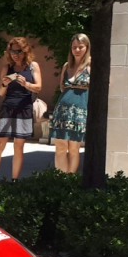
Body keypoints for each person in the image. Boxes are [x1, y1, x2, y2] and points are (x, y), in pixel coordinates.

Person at [0, 36, 42, 186]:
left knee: (18, 146)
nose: (15, 55)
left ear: (25, 51)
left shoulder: (33, 66)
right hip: (8, 107)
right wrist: (4, 84)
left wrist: (26, 83)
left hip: (24, 108)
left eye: (19, 51)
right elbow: (0, 93)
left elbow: (39, 87)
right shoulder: (7, 68)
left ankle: (14, 181)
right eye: (12, 51)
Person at [50, 33, 90, 174]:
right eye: (74, 47)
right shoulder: (67, 66)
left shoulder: (92, 65)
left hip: (80, 112)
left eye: (80, 47)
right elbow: (62, 87)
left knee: (74, 148)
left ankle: (70, 181)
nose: (77, 50)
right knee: (60, 147)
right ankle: (61, 180)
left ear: (87, 47)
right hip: (62, 111)